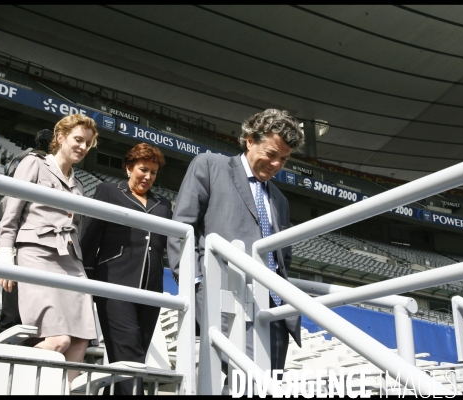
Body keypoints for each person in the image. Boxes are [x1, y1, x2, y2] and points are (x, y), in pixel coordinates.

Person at [167, 109, 305, 377]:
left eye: (284, 159)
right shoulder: (209, 165)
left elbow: (283, 259)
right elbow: (181, 230)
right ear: (250, 140)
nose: (277, 164)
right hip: (227, 300)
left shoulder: (280, 200)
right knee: (242, 383)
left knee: (266, 388)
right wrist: (197, 285)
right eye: (271, 154)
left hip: (275, 310)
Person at [0, 114, 99, 388]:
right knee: (58, 340)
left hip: (72, 263)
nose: (82, 146)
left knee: (79, 342)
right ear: (61, 137)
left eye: (87, 143)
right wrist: (6, 256)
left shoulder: (78, 186)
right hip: (36, 254)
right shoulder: (34, 164)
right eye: (78, 139)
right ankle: (5, 379)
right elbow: (11, 214)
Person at [80, 143, 172, 395]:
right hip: (114, 283)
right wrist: (85, 278)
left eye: (153, 172)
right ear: (129, 168)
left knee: (136, 352)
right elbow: (89, 235)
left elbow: (168, 245)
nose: (148, 177)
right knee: (129, 347)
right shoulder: (109, 191)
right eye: (143, 169)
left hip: (152, 289)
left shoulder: (163, 204)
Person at [0, 128, 53, 338]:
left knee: (34, 321)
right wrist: (6, 252)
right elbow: (10, 210)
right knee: (12, 316)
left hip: (42, 251)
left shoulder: (56, 169)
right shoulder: (29, 162)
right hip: (20, 245)